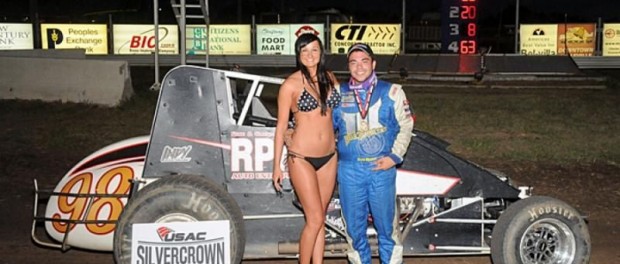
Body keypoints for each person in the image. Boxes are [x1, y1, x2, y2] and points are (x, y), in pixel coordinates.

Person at [332, 43, 414, 264]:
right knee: (354, 230)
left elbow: (406, 126)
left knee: (387, 228)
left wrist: (394, 157)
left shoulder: (393, 91)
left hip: (381, 170)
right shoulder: (337, 94)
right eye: (353, 62)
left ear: (373, 63)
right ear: (348, 66)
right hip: (350, 171)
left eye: (364, 61)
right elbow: (323, 129)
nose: (359, 67)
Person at [272, 33, 341, 264]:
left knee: (320, 219)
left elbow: (339, 115)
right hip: (301, 158)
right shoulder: (290, 85)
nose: (310, 55)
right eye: (304, 51)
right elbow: (281, 127)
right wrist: (276, 167)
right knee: (313, 220)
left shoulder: (330, 78)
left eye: (314, 49)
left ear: (321, 52)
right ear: (298, 55)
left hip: (329, 157)